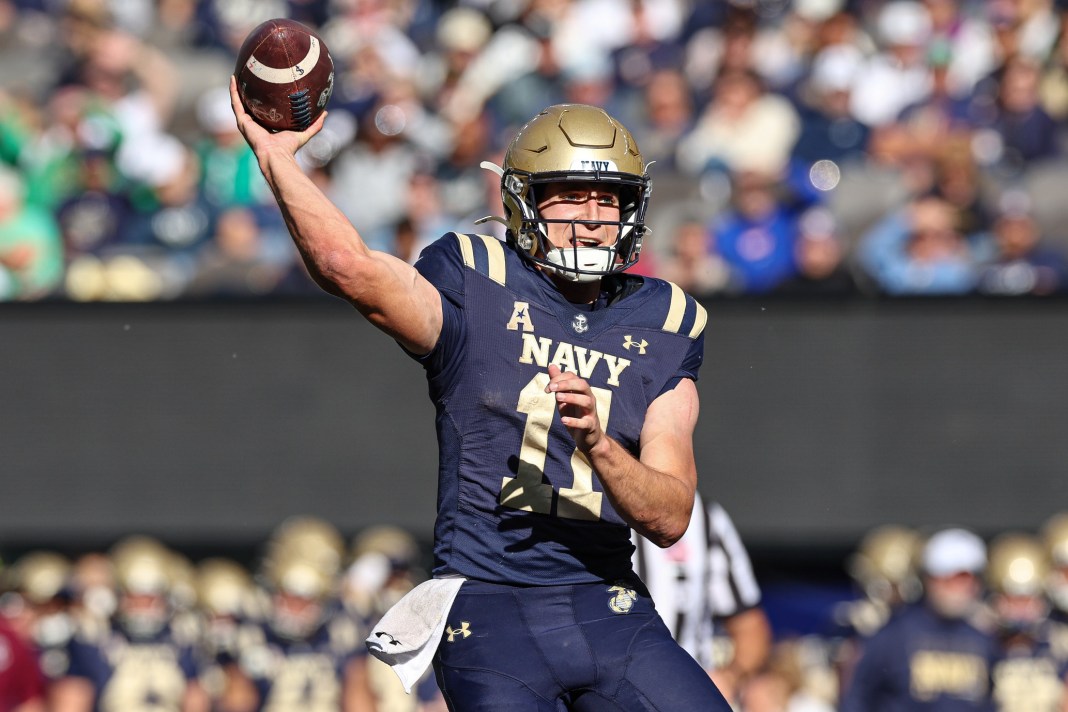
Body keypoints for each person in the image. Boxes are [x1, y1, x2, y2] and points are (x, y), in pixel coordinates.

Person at [229, 79, 731, 711]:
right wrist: (277, 158)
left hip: (606, 601)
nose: (592, 216)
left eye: (609, 198)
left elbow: (670, 515)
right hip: (489, 604)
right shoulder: (477, 276)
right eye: (569, 196)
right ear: (524, 202)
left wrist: (601, 446)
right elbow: (348, 267)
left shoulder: (665, 319)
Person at [631, 494, 772, 706]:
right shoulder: (591, 510)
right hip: (617, 691)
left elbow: (749, 626)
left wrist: (729, 678)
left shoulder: (706, 519)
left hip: (688, 693)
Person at [839, 527, 999, 711]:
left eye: (966, 580)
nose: (959, 590)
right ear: (929, 579)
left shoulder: (985, 640)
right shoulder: (893, 635)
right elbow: (857, 698)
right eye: (949, 580)